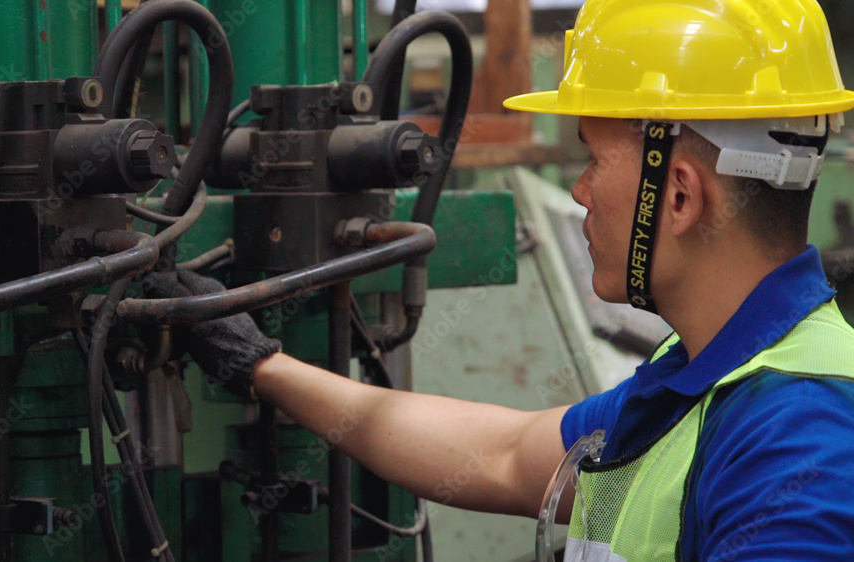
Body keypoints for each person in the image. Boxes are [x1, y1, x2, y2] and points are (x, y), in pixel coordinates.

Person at [161, 0, 854, 559]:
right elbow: (500, 456)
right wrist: (262, 364)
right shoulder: (703, 379)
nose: (578, 190)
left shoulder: (797, 441)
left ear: (677, 195)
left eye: (590, 157)